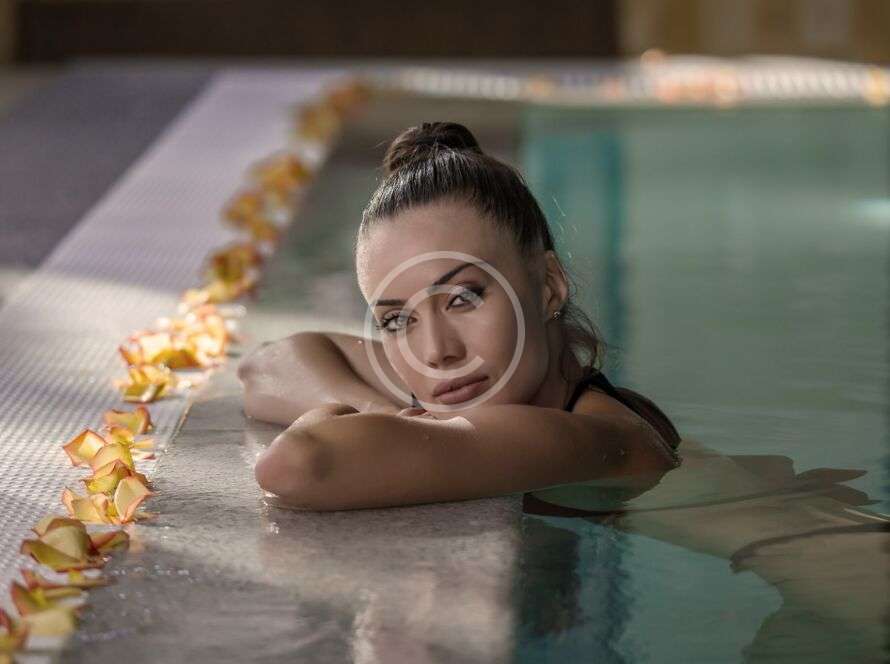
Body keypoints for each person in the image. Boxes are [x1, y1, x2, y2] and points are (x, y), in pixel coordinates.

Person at [237, 120, 683, 512]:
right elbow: (265, 367)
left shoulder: (587, 437)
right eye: (397, 320)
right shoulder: (483, 381)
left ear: (549, 285)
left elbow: (297, 464)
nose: (436, 352)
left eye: (463, 298)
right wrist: (384, 410)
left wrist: (363, 418)